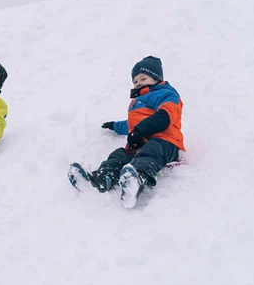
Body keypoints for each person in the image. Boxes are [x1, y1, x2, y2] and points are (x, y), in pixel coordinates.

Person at [67, 56, 185, 208]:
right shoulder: (136, 103)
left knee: (152, 149)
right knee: (119, 155)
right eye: (135, 81)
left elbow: (165, 116)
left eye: (143, 78)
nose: (138, 83)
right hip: (140, 144)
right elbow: (131, 124)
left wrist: (140, 130)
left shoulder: (166, 94)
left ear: (157, 78)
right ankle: (101, 179)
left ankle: (138, 179)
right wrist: (115, 126)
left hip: (166, 143)